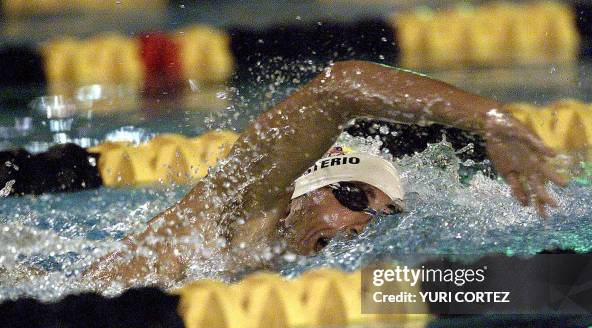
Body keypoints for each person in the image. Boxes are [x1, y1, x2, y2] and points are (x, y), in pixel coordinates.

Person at [85, 60, 566, 286]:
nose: (363, 225)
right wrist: (489, 118)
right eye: (353, 198)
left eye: (382, 214)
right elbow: (340, 88)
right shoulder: (242, 209)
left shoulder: (303, 265)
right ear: (303, 187)